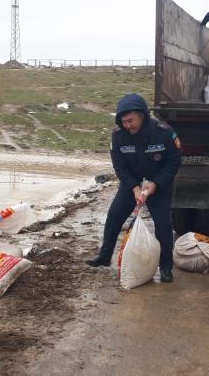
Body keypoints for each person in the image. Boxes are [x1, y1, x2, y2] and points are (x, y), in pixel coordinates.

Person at [85, 93, 182, 282]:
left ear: (143, 115)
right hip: (133, 181)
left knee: (162, 225)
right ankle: (104, 257)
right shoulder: (119, 136)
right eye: (124, 121)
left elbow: (174, 161)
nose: (127, 125)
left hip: (158, 181)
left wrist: (155, 184)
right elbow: (120, 166)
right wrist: (135, 188)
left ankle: (166, 268)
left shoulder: (163, 132)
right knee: (114, 215)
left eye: (131, 121)